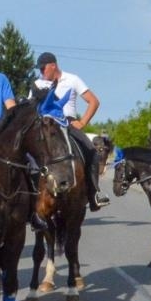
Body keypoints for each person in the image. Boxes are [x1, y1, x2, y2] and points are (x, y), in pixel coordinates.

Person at [34, 51, 109, 210]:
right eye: (40, 70)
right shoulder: (38, 84)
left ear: (53, 65)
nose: (41, 72)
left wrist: (82, 122)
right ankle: (30, 199)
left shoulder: (72, 79)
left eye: (43, 68)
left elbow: (93, 101)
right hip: (46, 126)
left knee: (91, 151)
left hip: (68, 124)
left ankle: (93, 193)